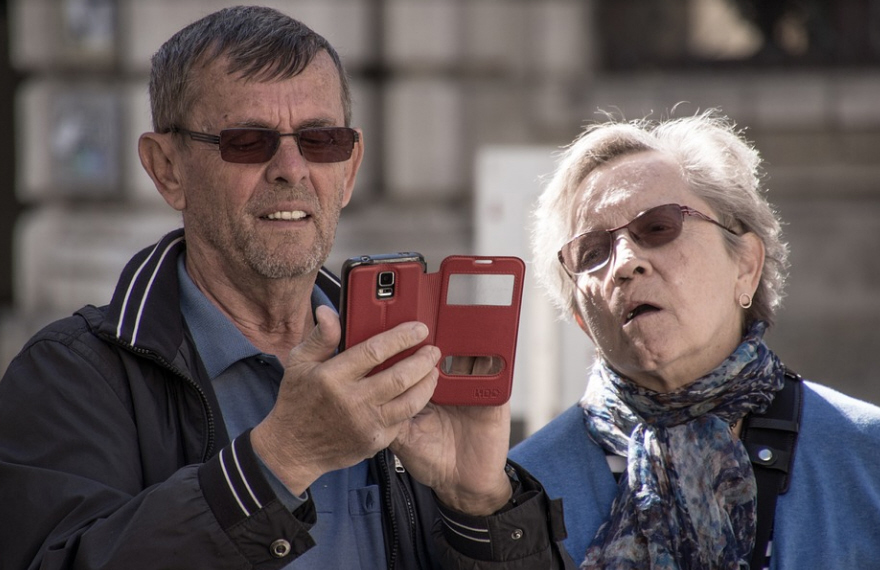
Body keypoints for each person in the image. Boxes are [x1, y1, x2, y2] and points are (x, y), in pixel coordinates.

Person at [0, 6, 572, 569]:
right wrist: (280, 460)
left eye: (322, 140)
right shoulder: (71, 377)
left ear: (349, 171)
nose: (293, 168)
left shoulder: (407, 361)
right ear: (167, 168)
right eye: (248, 141)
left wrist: (480, 506)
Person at [510, 111, 880, 569]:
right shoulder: (516, 494)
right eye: (593, 252)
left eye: (659, 228)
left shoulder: (867, 456)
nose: (626, 262)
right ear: (581, 318)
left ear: (745, 265)